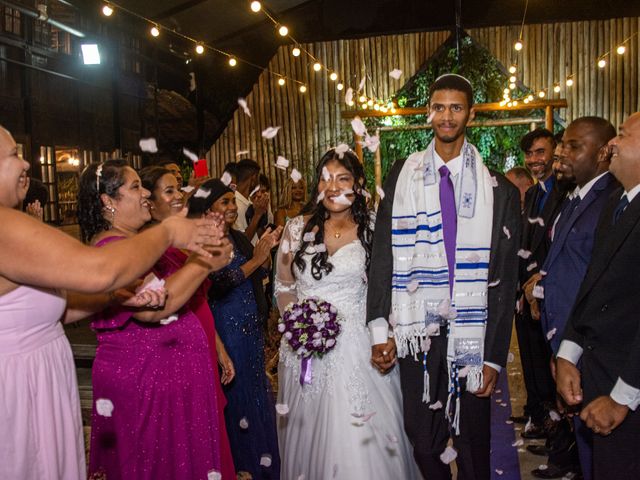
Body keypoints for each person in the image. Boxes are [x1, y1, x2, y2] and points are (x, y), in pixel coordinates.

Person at [0, 126, 221, 480]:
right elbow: (101, 269)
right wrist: (169, 232)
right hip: (16, 387)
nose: (26, 162)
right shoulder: (3, 225)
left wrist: (117, 295)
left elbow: (58, 306)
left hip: (39, 381)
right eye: (13, 155)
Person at [367, 74, 521, 480]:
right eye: (439, 107)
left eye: (456, 108)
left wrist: (492, 356)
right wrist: (379, 328)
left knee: (472, 440)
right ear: (428, 113)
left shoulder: (498, 190)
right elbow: (383, 254)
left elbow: (504, 280)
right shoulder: (403, 175)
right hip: (417, 327)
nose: (446, 117)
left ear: (470, 113)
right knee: (421, 435)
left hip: (472, 330)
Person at [77, 160, 236, 480]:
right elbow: (154, 309)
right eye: (135, 187)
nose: (145, 193)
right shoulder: (111, 246)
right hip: (144, 382)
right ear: (109, 201)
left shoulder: (135, 243)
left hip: (164, 379)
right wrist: (205, 260)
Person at [275, 148, 419, 479]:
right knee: (312, 436)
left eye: (343, 179)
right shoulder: (296, 229)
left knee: (358, 433)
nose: (334, 187)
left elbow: (390, 286)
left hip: (359, 343)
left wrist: (392, 335)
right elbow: (284, 287)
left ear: (359, 184)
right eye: (326, 179)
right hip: (305, 350)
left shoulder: (374, 227)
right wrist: (298, 323)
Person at [526, 117, 618, 479]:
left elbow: (601, 282)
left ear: (602, 154)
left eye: (573, 146)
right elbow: (568, 261)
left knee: (601, 455)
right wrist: (540, 284)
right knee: (584, 446)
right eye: (562, 144)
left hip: (592, 350)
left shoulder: (609, 201)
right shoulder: (574, 197)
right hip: (567, 344)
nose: (560, 154)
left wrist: (572, 350)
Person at [556, 112, 640, 480]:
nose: (614, 144)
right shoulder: (618, 203)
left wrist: (624, 396)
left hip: (627, 386)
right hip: (598, 373)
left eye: (624, 135)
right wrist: (568, 354)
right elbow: (591, 286)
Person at [189, 179, 282, 480]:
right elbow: (220, 283)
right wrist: (257, 259)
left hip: (250, 327)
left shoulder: (240, 238)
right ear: (207, 209)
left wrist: (265, 254)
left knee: (257, 393)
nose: (232, 207)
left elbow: (260, 271)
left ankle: (263, 464)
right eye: (224, 202)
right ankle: (240, 465)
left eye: (232, 201)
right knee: (237, 394)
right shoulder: (203, 243)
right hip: (226, 328)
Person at [515, 128, 565, 438]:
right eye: (530, 154)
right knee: (534, 363)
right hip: (527, 292)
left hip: (553, 292)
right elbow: (525, 242)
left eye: (540, 152)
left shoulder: (563, 190)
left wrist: (540, 285)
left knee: (555, 368)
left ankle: (560, 436)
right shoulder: (533, 194)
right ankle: (545, 423)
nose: (534, 160)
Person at [234, 159, 269, 241]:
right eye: (258, 178)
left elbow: (255, 235)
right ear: (253, 178)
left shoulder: (249, 202)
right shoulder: (234, 204)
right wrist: (257, 215)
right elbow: (242, 242)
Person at [246, 173, 275, 239]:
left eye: (263, 191)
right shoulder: (246, 205)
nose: (259, 194)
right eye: (255, 191)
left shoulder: (266, 203)